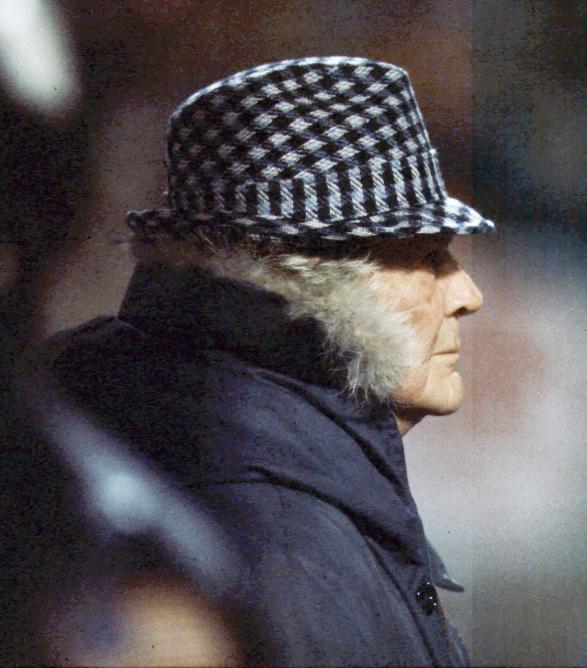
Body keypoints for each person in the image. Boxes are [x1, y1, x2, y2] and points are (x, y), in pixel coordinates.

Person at [47, 56, 493, 665]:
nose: (467, 295)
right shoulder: (286, 545)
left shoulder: (278, 489)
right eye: (429, 258)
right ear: (320, 283)